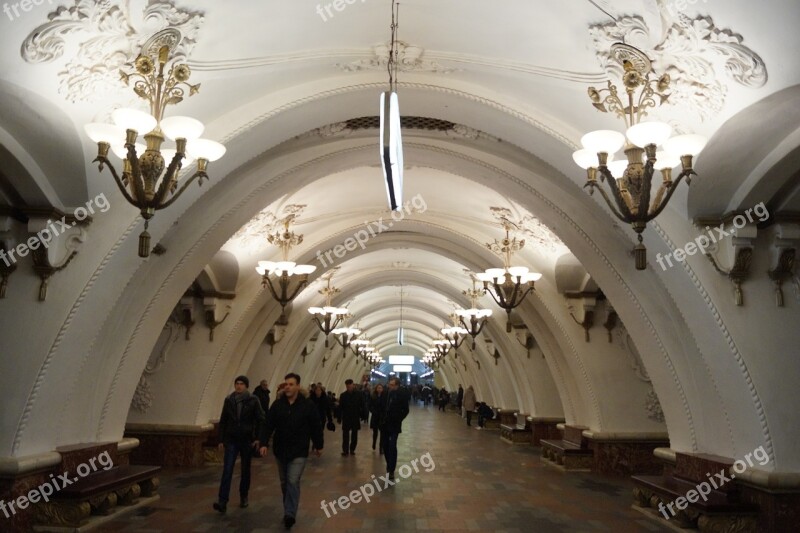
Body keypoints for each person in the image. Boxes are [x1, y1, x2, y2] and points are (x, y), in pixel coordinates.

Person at [263, 373, 323, 529]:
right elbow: (268, 424)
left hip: (299, 450)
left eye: (291, 384)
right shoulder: (278, 405)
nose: (288, 387)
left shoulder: (307, 405)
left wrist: (318, 444)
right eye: (286, 384)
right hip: (281, 450)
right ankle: (288, 508)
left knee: (292, 481)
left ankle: (290, 513)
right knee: (284, 483)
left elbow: (315, 426)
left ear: (298, 386)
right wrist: (263, 442)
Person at [213, 375, 266, 513]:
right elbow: (223, 420)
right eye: (237, 383)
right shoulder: (229, 400)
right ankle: (222, 501)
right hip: (231, 439)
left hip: (247, 440)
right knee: (227, 469)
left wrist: (258, 438)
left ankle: (244, 495)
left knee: (245, 469)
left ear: (246, 386)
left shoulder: (253, 400)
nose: (239, 386)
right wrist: (220, 440)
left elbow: (261, 419)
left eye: (242, 384)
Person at [381, 376, 409, 481]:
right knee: (385, 446)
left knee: (392, 445)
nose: (390, 386)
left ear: (397, 385)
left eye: (392, 385)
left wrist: (399, 419)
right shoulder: (385, 393)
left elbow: (406, 410)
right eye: (389, 384)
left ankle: (391, 469)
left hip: (395, 424)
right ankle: (389, 463)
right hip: (384, 424)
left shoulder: (402, 395)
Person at [338, 379, 365, 455]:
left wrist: (363, 415)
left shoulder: (359, 394)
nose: (349, 388)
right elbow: (340, 407)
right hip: (346, 417)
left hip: (355, 417)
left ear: (353, 385)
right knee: (345, 435)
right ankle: (345, 450)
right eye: (347, 386)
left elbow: (362, 405)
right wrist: (339, 418)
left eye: (350, 386)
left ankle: (352, 449)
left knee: (354, 435)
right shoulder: (343, 395)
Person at [369, 383, 387, 453]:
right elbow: (370, 405)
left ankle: (381, 447)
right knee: (375, 432)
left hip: (382, 417)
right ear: (376, 389)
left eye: (381, 388)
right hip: (375, 416)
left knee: (382, 433)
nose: (379, 389)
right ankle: (374, 442)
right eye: (378, 388)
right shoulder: (373, 396)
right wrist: (373, 411)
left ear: (382, 389)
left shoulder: (385, 397)